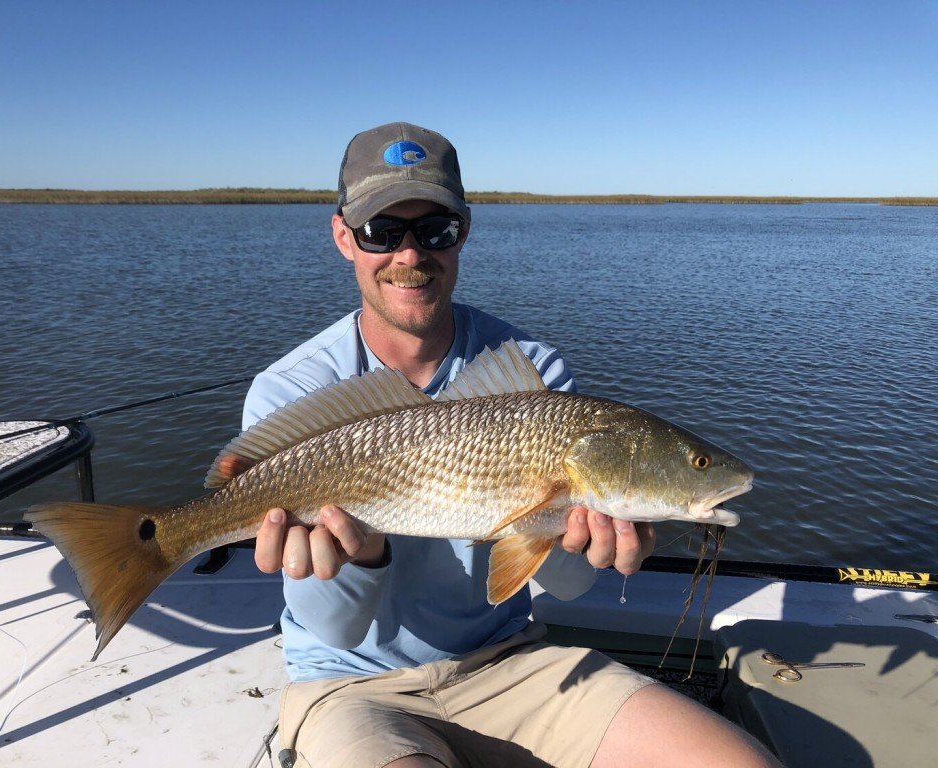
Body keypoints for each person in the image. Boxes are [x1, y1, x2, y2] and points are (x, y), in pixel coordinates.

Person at [244, 122, 780, 768]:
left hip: (510, 664)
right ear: (342, 238)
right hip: (351, 688)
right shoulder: (289, 394)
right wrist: (364, 557)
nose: (410, 255)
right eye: (382, 233)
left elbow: (567, 584)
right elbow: (334, 629)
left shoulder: (536, 372)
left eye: (435, 230)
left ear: (464, 231)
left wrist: (581, 549)